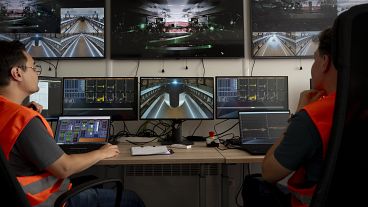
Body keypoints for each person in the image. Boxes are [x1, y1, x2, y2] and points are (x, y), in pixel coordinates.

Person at [0, 40, 145, 207]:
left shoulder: (12, 114)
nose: (37, 73)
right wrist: (102, 152)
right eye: (34, 67)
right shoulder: (24, 120)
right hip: (50, 201)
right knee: (132, 199)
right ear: (17, 73)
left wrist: (26, 112)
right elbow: (65, 168)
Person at [242, 27, 337, 207]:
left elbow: (270, 173)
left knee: (255, 184)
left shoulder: (313, 116)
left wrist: (299, 114)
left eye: (314, 58)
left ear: (324, 62)